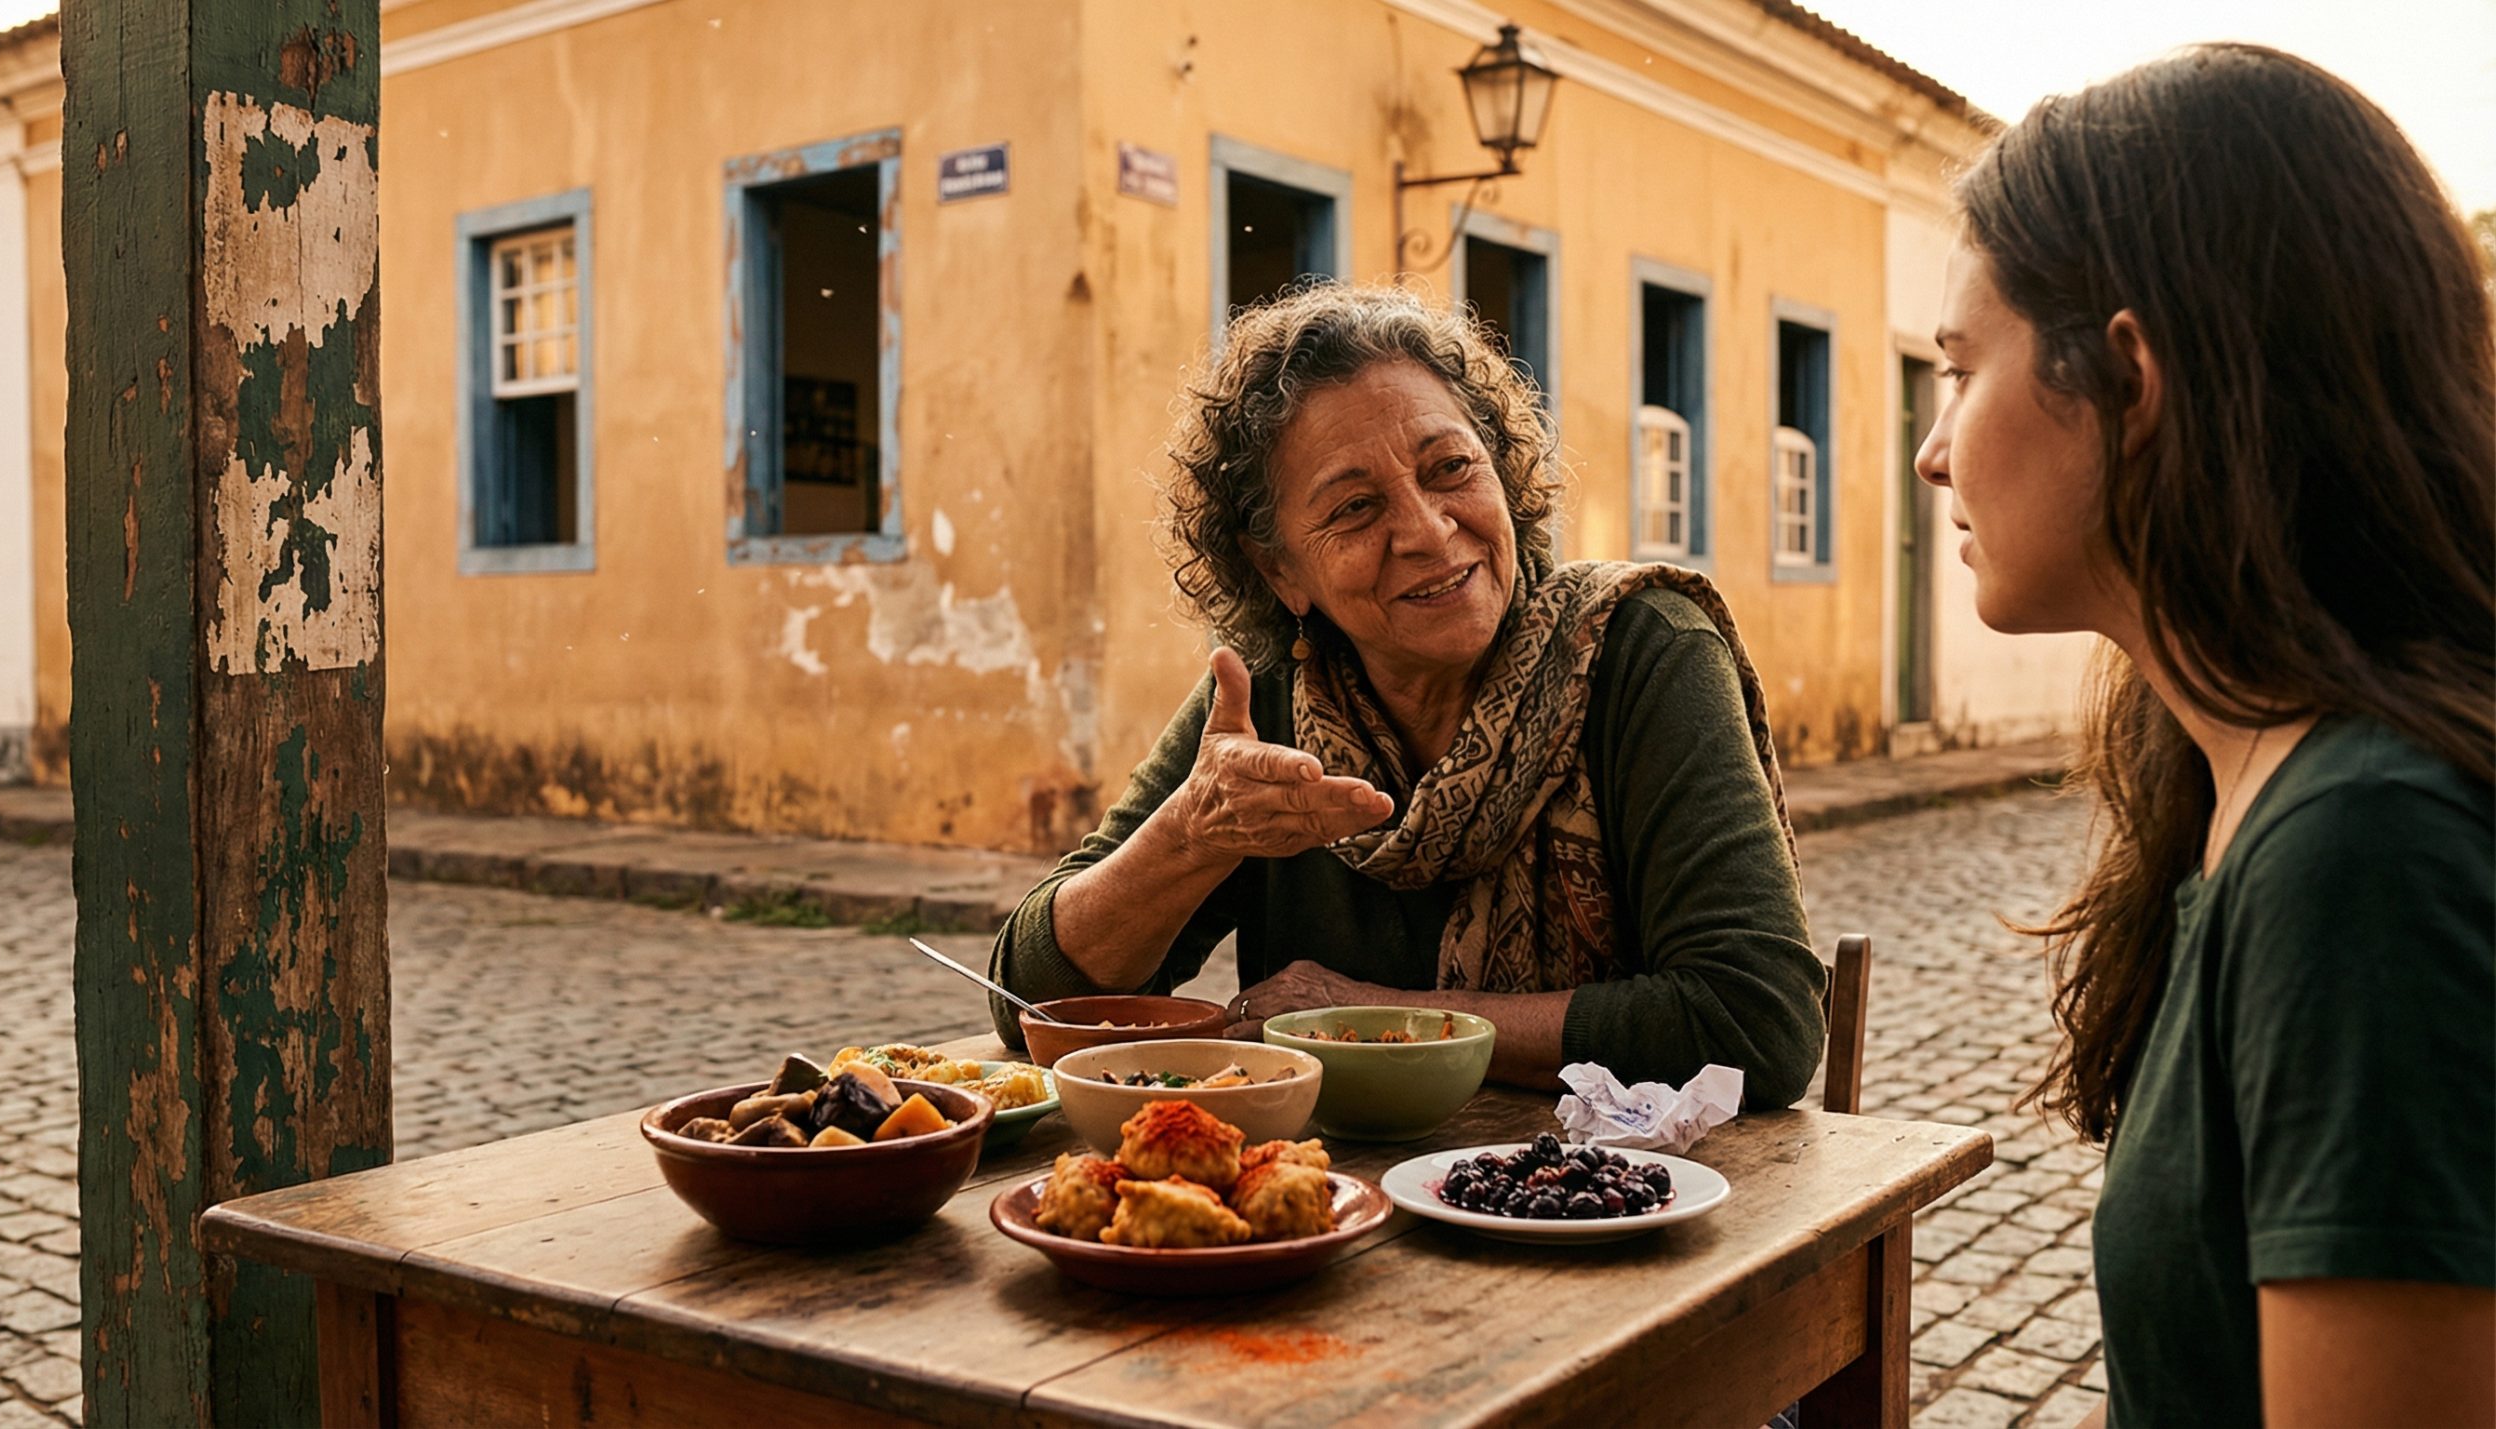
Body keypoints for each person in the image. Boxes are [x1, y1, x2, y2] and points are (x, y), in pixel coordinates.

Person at [1915, 43, 2494, 1428]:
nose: (1936, 450)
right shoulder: (2244, 781)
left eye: (1959, 370)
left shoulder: (2366, 852)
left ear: (2129, 377)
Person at [987, 283, 1824, 1107]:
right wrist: (1189, 836)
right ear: (1281, 570)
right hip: (1333, 1210)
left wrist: (1367, 1020)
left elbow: (1756, 1022)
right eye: (1355, 508)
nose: (1427, 530)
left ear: (1502, 470)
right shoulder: (1271, 700)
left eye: (1451, 466)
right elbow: (1026, 1000)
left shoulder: (1642, 653)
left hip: (1619, 1212)